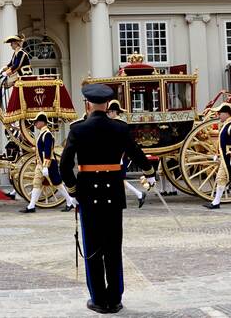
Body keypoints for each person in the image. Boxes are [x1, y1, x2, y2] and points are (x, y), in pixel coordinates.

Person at [60, 84, 155, 314]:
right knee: (113, 247)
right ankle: (115, 298)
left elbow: (64, 165)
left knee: (93, 249)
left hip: (89, 195)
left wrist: (73, 190)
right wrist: (149, 171)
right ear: (107, 105)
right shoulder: (119, 128)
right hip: (113, 193)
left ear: (88, 104)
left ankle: (98, 299)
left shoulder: (78, 129)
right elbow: (136, 154)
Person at [20, 112, 76, 213]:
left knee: (57, 183)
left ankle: (69, 201)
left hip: (49, 163)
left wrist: (45, 166)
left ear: (42, 122)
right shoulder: (42, 133)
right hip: (40, 164)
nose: (35, 124)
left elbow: (47, 150)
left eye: (36, 122)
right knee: (36, 183)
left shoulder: (47, 134)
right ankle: (31, 206)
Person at [106, 100, 146, 208]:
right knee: (118, 179)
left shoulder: (119, 125)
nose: (108, 114)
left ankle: (139, 194)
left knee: (118, 179)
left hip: (120, 156)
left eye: (109, 112)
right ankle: (139, 194)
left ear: (114, 112)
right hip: (119, 156)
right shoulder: (119, 124)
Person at [0, 33, 33, 108]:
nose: (10, 45)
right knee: (3, 83)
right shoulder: (16, 53)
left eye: (12, 43)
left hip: (23, 75)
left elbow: (17, 65)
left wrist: (6, 73)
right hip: (18, 74)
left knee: (4, 83)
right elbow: (11, 64)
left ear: (16, 43)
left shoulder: (21, 53)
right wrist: (1, 70)